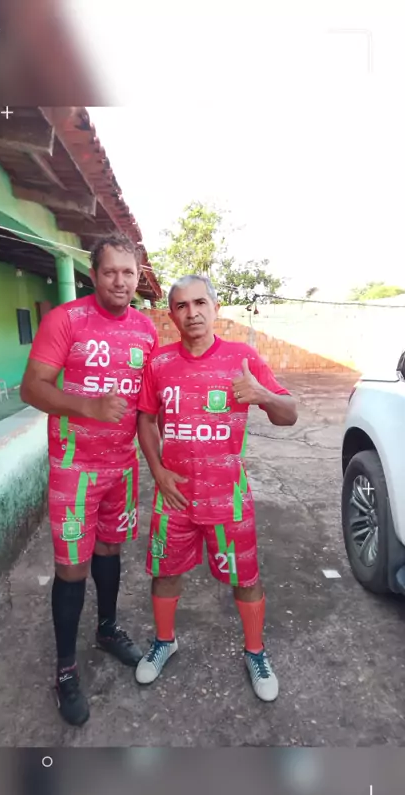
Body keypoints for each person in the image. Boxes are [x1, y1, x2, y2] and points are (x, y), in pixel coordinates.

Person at [135, 275, 298, 701]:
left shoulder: (243, 358)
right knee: (165, 572)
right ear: (172, 315)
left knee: (246, 577)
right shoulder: (159, 363)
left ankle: (256, 652)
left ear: (215, 307)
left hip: (228, 497)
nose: (192, 313)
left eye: (200, 303)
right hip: (174, 495)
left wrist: (261, 394)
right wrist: (157, 470)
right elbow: (145, 419)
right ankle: (165, 641)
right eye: (182, 306)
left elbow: (290, 414)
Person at [20, 233, 158, 726]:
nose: (120, 281)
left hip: (122, 468)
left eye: (129, 272)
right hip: (74, 471)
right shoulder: (66, 320)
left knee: (109, 551)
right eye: (110, 272)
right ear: (93, 274)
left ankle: (107, 628)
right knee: (72, 568)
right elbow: (31, 388)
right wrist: (88, 406)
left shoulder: (146, 329)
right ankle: (65, 670)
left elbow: (149, 404)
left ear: (138, 276)